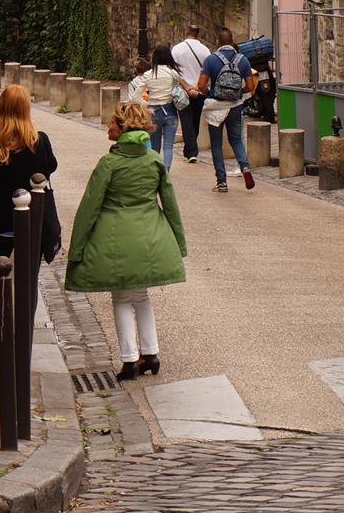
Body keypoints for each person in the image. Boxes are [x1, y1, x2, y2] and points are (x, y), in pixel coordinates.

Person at [66, 101, 186, 381]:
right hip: (149, 238)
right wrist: (178, 243)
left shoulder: (109, 164)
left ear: (121, 128)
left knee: (121, 298)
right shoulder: (154, 159)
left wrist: (77, 249)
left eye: (111, 122)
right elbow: (170, 204)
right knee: (142, 297)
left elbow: (89, 208)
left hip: (115, 239)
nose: (107, 126)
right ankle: (151, 353)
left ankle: (130, 359)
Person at [0, 84, 59, 358]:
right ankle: (23, 338)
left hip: (0, 221)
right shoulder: (39, 141)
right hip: (32, 222)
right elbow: (50, 168)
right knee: (30, 279)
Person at [198, 28, 256, 194]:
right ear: (232, 42)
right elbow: (251, 87)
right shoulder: (243, 60)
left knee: (216, 144)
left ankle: (222, 182)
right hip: (235, 106)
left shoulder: (211, 60)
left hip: (216, 106)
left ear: (218, 41)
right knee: (236, 139)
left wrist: (210, 93)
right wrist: (237, 93)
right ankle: (244, 167)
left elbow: (201, 85)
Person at [125, 45, 183, 170]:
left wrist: (148, 104)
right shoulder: (173, 74)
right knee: (168, 146)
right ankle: (166, 172)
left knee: (155, 147)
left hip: (153, 112)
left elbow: (134, 98)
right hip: (170, 111)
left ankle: (155, 170)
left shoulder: (148, 74)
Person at [170, 25, 211, 164]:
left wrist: (186, 87)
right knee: (195, 120)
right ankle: (190, 151)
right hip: (199, 89)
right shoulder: (205, 50)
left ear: (186, 32)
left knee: (186, 120)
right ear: (198, 34)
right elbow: (207, 72)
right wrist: (197, 86)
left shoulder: (176, 49)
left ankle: (191, 152)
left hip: (183, 90)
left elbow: (173, 72)